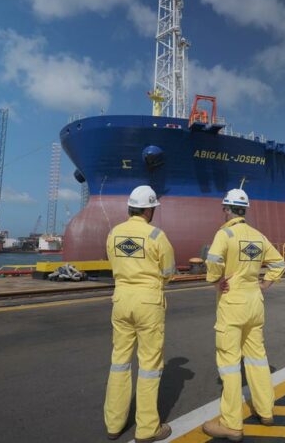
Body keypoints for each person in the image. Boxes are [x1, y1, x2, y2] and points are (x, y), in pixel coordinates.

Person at [202, 188, 285, 442]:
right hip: (254, 303)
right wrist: (265, 284)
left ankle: (231, 424)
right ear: (245, 210)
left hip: (232, 304)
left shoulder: (225, 234)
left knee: (229, 363)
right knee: (257, 358)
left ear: (226, 209)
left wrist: (215, 281)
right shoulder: (258, 236)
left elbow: (213, 260)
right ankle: (266, 411)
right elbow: (278, 263)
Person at [104, 185, 176, 443]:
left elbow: (112, 262)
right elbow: (168, 272)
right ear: (148, 210)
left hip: (121, 299)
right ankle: (147, 428)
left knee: (119, 361)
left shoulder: (114, 233)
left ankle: (114, 424)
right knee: (149, 366)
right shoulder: (156, 235)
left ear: (130, 208)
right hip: (148, 302)